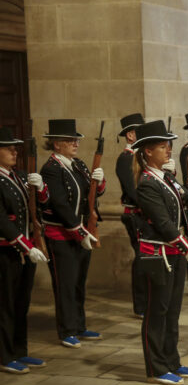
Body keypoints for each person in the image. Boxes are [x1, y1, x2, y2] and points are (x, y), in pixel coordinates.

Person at [133, 120, 188, 385]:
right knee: (158, 311)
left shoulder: (165, 179)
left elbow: (187, 208)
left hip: (174, 253)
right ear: (148, 152)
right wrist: (187, 248)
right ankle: (156, 367)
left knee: (173, 310)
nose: (168, 151)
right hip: (159, 255)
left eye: (169, 146)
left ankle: (172, 360)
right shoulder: (146, 183)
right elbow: (164, 224)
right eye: (163, 147)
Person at [41, 119, 106, 349]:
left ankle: (79, 325)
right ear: (57, 144)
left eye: (76, 139)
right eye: (70, 140)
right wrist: (79, 231)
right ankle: (67, 329)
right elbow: (59, 204)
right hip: (62, 235)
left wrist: (99, 182)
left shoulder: (77, 164)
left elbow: (91, 195)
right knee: (65, 284)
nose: (76, 143)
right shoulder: (51, 169)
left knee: (78, 282)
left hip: (81, 233)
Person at [0, 128, 49, 374]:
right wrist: (24, 245)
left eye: (15, 147)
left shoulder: (18, 175)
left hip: (26, 250)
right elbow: (2, 220)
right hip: (7, 251)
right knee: (5, 305)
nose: (14, 151)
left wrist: (40, 189)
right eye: (8, 147)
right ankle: (5, 355)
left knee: (22, 303)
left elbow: (39, 205)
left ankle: (20, 350)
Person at [116, 112, 146, 318]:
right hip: (136, 214)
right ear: (130, 135)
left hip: (145, 212)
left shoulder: (140, 157)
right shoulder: (125, 158)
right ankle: (141, 305)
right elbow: (134, 191)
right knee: (142, 258)